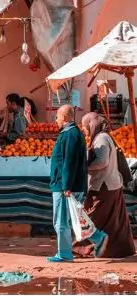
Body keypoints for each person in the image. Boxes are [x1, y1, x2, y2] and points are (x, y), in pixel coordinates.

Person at [74, 112, 135, 259]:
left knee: (90, 216)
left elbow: (102, 161)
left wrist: (84, 167)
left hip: (103, 186)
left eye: (85, 126)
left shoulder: (101, 138)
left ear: (92, 124)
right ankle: (120, 249)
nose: (84, 129)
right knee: (115, 220)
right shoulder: (104, 137)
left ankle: (81, 248)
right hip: (112, 184)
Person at [49, 105, 91, 263]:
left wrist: (66, 186)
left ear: (65, 117)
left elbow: (69, 163)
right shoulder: (70, 133)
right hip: (65, 185)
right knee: (67, 220)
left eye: (58, 116)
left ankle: (65, 254)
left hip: (64, 187)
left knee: (61, 221)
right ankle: (99, 239)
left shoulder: (70, 134)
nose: (56, 120)